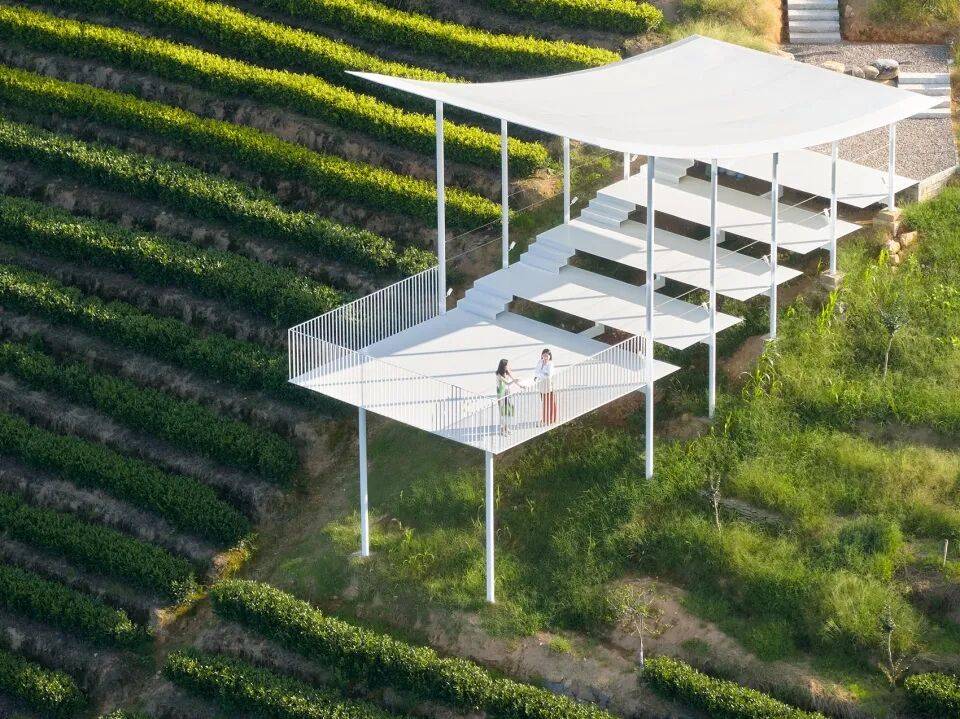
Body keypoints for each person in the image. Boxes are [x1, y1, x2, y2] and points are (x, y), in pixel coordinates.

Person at [495, 358, 519, 435]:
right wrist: (514, 381)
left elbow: (513, 379)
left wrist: (520, 385)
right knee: (503, 412)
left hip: (507, 392)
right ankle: (503, 429)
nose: (508, 366)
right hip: (501, 393)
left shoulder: (507, 372)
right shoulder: (499, 374)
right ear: (503, 366)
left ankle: (506, 427)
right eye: (507, 365)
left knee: (508, 411)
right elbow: (507, 383)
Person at [534, 348, 557, 425]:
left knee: (550, 402)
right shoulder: (540, 362)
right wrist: (542, 374)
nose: (545, 357)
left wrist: (540, 374)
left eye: (547, 356)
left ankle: (551, 419)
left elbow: (548, 375)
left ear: (550, 356)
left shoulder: (550, 364)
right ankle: (544, 419)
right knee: (544, 403)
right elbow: (536, 372)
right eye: (544, 355)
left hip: (548, 385)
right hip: (541, 385)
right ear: (541, 355)